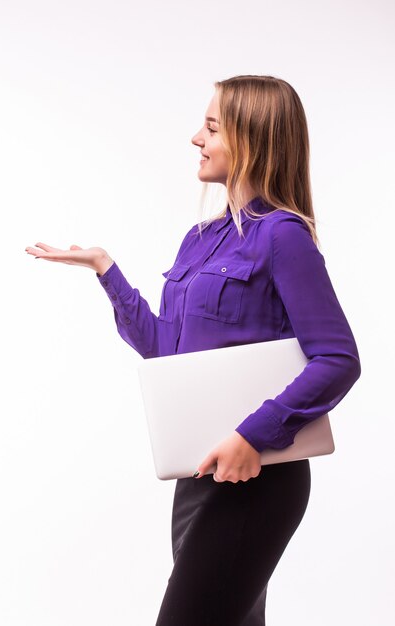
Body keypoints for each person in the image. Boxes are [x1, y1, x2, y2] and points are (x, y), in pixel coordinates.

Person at [25, 75, 361, 625]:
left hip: (258, 477)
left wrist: (252, 434)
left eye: (211, 127)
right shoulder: (199, 239)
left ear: (253, 138)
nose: (195, 139)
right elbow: (170, 356)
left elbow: (338, 359)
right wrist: (106, 270)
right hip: (199, 479)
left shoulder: (283, 236)